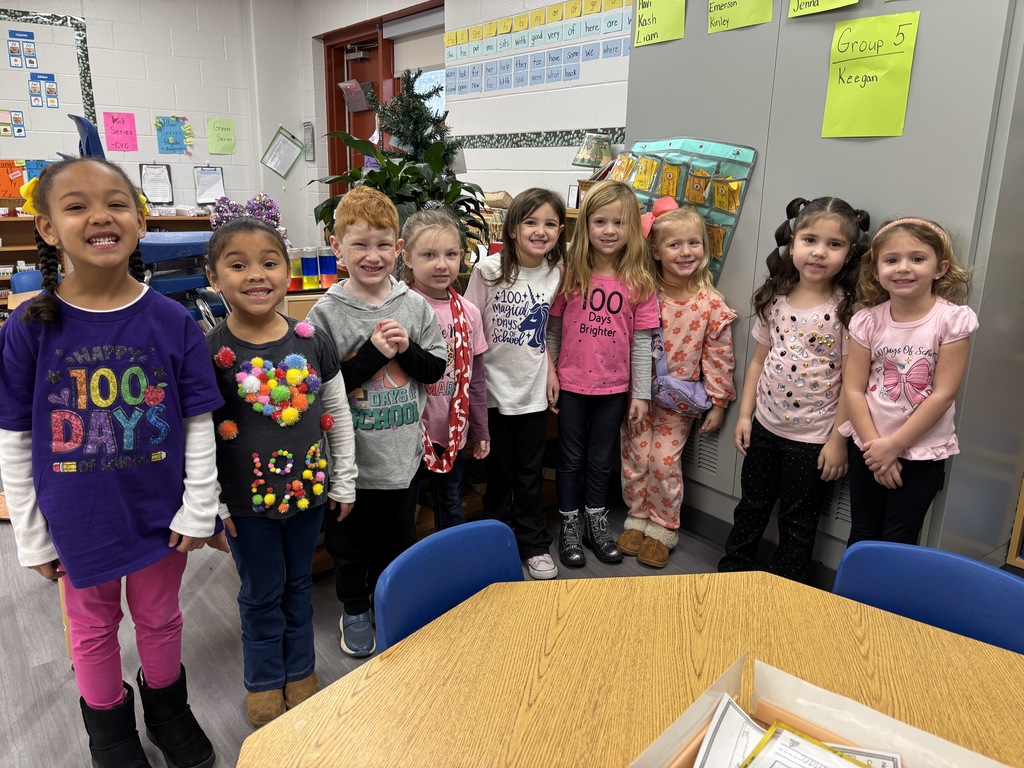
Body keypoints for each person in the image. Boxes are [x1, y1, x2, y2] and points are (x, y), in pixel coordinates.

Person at [0, 157, 223, 768]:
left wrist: (200, 505)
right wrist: (30, 534)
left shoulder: (174, 320)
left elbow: (197, 421)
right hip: (79, 519)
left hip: (160, 514)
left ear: (139, 220)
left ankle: (169, 709)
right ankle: (108, 730)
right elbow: (15, 439)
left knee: (160, 617)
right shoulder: (28, 328)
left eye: (116, 202)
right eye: (76, 206)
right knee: (92, 629)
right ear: (47, 228)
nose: (100, 215)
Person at [203, 216, 357, 726]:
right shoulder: (210, 352)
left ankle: (301, 670)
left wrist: (344, 479)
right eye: (238, 264)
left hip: (309, 493)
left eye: (269, 263)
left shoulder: (312, 340)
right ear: (213, 277)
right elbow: (201, 434)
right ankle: (264, 679)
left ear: (288, 273)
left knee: (298, 587)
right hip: (247, 507)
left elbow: (337, 414)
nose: (256, 275)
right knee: (260, 591)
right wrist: (214, 505)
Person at [305, 186, 446, 658]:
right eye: (360, 244)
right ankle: (355, 609)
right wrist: (371, 355)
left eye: (383, 244)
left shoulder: (415, 305)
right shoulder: (325, 313)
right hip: (349, 464)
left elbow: (435, 371)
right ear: (336, 246)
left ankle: (391, 602)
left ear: (398, 250)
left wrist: (407, 348)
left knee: (398, 539)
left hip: (402, 459)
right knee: (348, 545)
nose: (372, 255)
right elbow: (322, 392)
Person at [718, 196, 869, 581]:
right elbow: (757, 361)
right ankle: (730, 575)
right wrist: (745, 415)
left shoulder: (848, 310)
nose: (819, 253)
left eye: (834, 245)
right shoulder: (775, 297)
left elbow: (854, 382)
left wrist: (837, 440)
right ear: (792, 241)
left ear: (850, 254)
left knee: (798, 522)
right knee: (751, 506)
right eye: (810, 240)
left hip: (815, 438)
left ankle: (787, 591)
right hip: (765, 427)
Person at [841, 217, 976, 545]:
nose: (903, 268)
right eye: (891, 260)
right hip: (869, 446)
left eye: (917, 259)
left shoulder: (951, 321)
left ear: (939, 267)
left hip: (921, 453)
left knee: (898, 538)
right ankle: (848, 598)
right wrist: (876, 448)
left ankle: (884, 600)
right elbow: (853, 389)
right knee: (862, 532)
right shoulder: (867, 321)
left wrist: (895, 446)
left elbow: (943, 394)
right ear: (876, 271)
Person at [547, 180, 659, 569]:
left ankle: (596, 520)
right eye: (600, 222)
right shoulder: (569, 273)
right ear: (586, 226)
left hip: (614, 389)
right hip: (573, 385)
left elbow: (642, 343)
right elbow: (554, 330)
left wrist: (641, 393)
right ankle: (569, 525)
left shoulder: (640, 281)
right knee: (570, 458)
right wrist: (553, 377)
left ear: (633, 229)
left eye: (619, 223)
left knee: (599, 459)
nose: (609, 231)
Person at [619, 201, 737, 568]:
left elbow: (719, 356)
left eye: (694, 243)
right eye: (674, 245)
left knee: (663, 461)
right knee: (635, 458)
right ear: (655, 251)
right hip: (636, 395)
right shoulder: (642, 292)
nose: (686, 252)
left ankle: (663, 527)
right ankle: (637, 517)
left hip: (678, 401)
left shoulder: (710, 303)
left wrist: (718, 403)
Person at [464, 188, 566, 580]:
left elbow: (549, 330)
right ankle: (496, 542)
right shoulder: (487, 271)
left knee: (529, 471)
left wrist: (552, 372)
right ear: (513, 227)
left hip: (532, 391)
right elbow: (471, 327)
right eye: (531, 222)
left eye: (550, 224)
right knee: (498, 472)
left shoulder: (556, 274)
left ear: (560, 232)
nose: (541, 231)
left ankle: (534, 543)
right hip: (491, 390)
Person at [401, 208, 490, 530]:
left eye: (451, 254)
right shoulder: (399, 307)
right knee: (404, 509)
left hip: (452, 429)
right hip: (407, 431)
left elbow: (476, 380)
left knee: (450, 502)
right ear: (407, 257)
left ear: (462, 257)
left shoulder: (469, 313)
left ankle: (449, 567)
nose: (441, 264)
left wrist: (480, 429)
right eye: (429, 255)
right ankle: (403, 574)